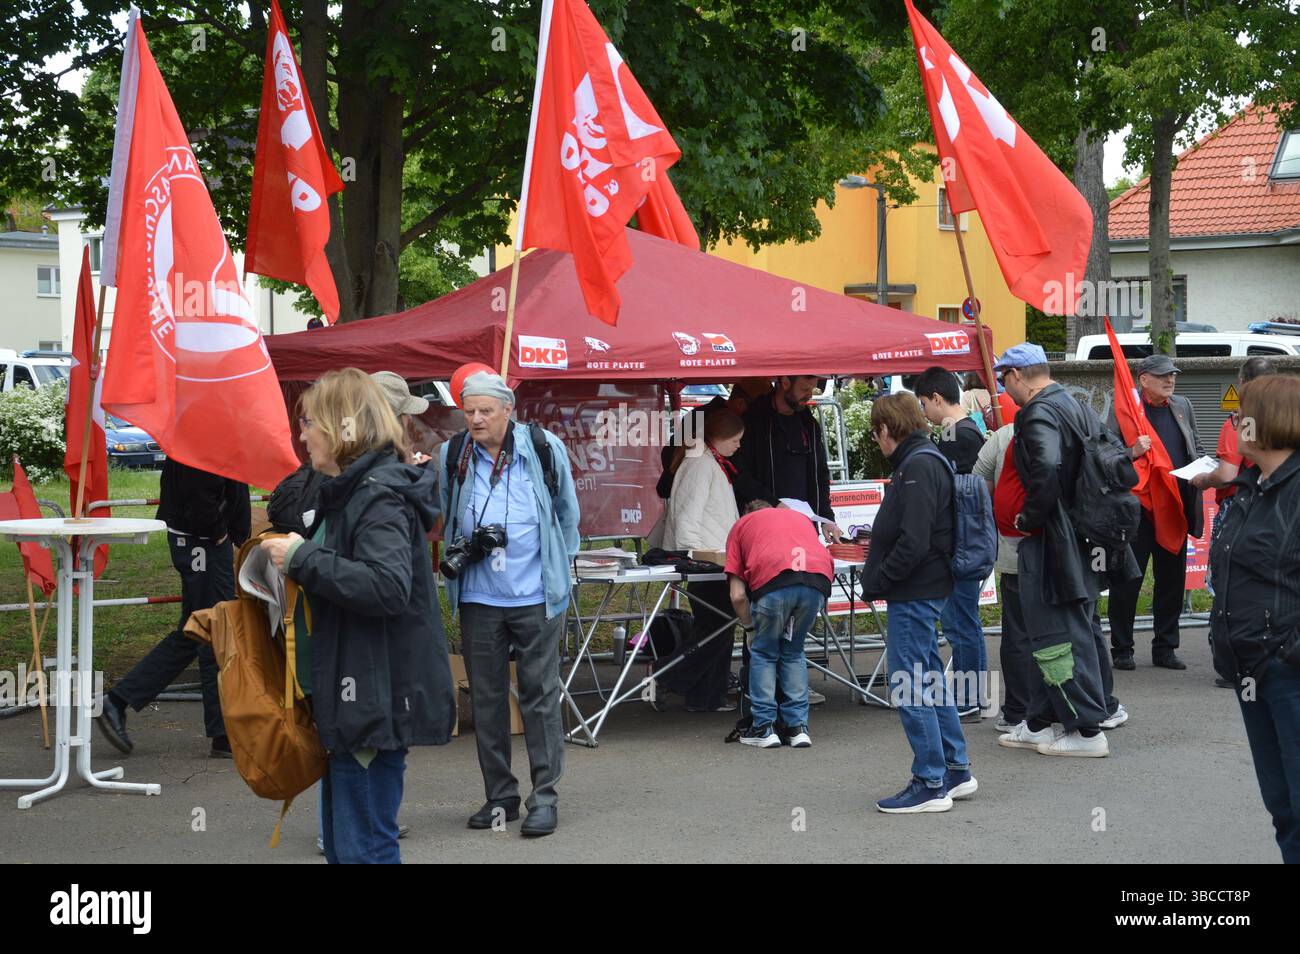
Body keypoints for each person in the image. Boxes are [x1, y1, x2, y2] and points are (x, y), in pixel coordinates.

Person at [259, 368, 455, 864]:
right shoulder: (356, 488)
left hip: (370, 698)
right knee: (348, 851)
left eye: (308, 423)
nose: (301, 435)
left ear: (341, 425)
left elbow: (387, 587)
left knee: (363, 851)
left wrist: (303, 559)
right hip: (354, 695)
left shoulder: (377, 493)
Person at [438, 370, 580, 838]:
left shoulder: (542, 448)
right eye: (469, 411)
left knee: (540, 698)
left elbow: (566, 513)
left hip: (536, 594)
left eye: (485, 411)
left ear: (508, 411)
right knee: (488, 699)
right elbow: (446, 507)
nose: (475, 419)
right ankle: (500, 797)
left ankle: (544, 798)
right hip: (479, 596)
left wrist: (561, 567)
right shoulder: (452, 453)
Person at [996, 344, 1117, 758]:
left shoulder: (1037, 411)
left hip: (1053, 539)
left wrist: (1029, 516)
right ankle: (1041, 721)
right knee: (1063, 627)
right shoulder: (1073, 403)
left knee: (1056, 634)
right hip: (1080, 535)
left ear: (1015, 375)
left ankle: (1086, 732)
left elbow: (1046, 467)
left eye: (1001, 379)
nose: (1002, 388)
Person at [860, 393, 974, 813]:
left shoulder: (919, 464)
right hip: (922, 587)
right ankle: (954, 770)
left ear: (888, 429)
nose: (877, 442)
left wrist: (882, 578)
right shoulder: (924, 459)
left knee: (910, 683)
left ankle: (930, 782)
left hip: (915, 589)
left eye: (877, 434)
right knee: (928, 680)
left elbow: (914, 540)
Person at [97, 460, 250, 758]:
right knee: (213, 631)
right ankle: (222, 733)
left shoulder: (202, 428)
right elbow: (199, 491)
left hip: (200, 541)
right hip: (202, 542)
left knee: (196, 631)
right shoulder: (203, 433)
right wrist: (217, 530)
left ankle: (118, 699)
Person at [1208, 374, 1300, 863]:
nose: (1234, 421)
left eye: (1242, 413)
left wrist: (1289, 649)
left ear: (1268, 421)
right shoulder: (1251, 483)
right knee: (1283, 805)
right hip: (1252, 670)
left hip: (1288, 672)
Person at [1106, 353, 1206, 671]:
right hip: (1137, 511)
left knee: (1172, 582)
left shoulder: (1183, 406)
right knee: (1127, 583)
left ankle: (1165, 648)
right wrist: (1131, 451)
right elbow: (1103, 455)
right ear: (1143, 379)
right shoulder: (1124, 410)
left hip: (1175, 507)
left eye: (1172, 374)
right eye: (1163, 375)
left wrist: (1204, 467)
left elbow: (1196, 446)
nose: (1170, 380)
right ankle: (1122, 648)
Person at [725, 499, 833, 748]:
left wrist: (750, 627)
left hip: (774, 584)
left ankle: (764, 727)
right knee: (793, 652)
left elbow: (737, 595)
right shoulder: (798, 518)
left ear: (746, 514)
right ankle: (797, 727)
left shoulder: (741, 525)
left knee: (763, 652)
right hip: (815, 583)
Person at [914, 365, 989, 718]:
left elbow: (951, 496)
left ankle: (969, 696)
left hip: (959, 544)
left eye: (923, 405)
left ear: (937, 398)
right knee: (964, 621)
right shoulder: (969, 430)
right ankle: (973, 694)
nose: (924, 414)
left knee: (960, 623)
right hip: (966, 542)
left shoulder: (958, 438)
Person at [662, 409, 745, 712]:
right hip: (706, 559)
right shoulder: (701, 464)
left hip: (714, 555)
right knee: (719, 624)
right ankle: (667, 674)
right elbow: (688, 516)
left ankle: (707, 696)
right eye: (735, 440)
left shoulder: (708, 462)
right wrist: (693, 556)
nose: (738, 445)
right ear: (719, 437)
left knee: (716, 625)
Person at [733, 374, 841, 543]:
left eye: (812, 389)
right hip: (764, 525)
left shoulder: (809, 424)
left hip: (803, 526)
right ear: (785, 383)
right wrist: (773, 504)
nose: (809, 395)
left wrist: (826, 518)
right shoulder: (754, 420)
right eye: (804, 389)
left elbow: (820, 474)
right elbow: (740, 474)